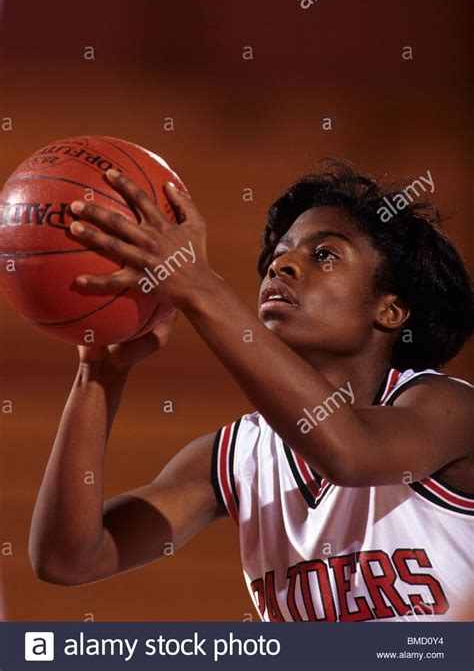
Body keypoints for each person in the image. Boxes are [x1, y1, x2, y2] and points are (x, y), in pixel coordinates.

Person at [29, 161, 474, 622]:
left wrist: (200, 287)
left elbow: (352, 453)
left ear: (391, 311)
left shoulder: (450, 408)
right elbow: (70, 559)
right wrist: (100, 374)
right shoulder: (234, 456)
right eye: (279, 255)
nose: (281, 264)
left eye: (324, 254)